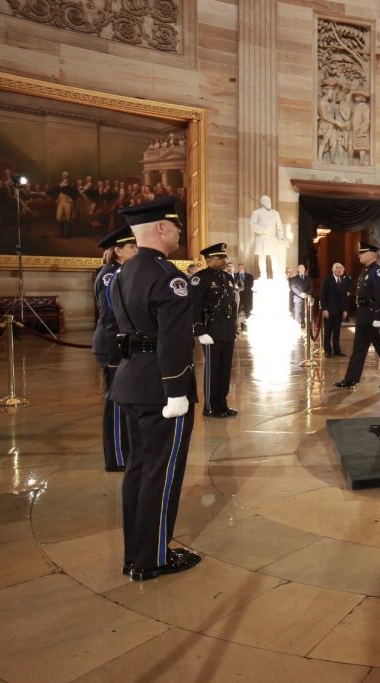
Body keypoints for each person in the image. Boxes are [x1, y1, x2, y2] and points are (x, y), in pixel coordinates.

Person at [110, 196, 200, 581]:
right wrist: (178, 389)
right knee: (161, 474)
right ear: (161, 228)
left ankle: (136, 553)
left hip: (130, 382)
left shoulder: (123, 272)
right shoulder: (168, 276)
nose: (179, 232)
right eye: (176, 226)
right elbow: (173, 340)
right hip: (162, 387)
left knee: (138, 471)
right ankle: (153, 558)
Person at [92, 225, 138, 472]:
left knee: (122, 399)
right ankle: (118, 456)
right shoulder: (111, 275)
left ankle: (125, 450)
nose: (136, 250)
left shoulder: (121, 272)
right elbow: (113, 317)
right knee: (116, 402)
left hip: (118, 343)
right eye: (132, 246)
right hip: (112, 344)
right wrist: (117, 352)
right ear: (118, 250)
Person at [334, 241, 380, 389]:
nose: (359, 255)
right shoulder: (365, 271)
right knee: (358, 348)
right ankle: (350, 379)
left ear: (371, 254)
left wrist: (379, 316)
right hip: (363, 315)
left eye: (362, 253)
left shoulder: (378, 271)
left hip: (373, 316)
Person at [190, 243, 239, 418]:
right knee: (212, 370)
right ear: (210, 260)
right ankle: (210, 406)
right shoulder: (200, 278)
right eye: (221, 258)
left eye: (225, 257)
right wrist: (200, 331)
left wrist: (234, 326)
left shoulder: (227, 277)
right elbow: (194, 307)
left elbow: (232, 304)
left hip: (226, 329)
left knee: (225, 370)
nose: (225, 260)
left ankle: (222, 404)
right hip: (211, 330)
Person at [319, 261, 352, 356]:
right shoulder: (327, 280)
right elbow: (322, 296)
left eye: (340, 268)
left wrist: (345, 310)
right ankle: (328, 351)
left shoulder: (343, 281)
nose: (338, 269)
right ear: (332, 269)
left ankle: (337, 351)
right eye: (336, 267)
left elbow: (344, 297)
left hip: (339, 311)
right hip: (329, 311)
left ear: (343, 270)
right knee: (328, 332)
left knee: (337, 332)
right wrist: (324, 309)